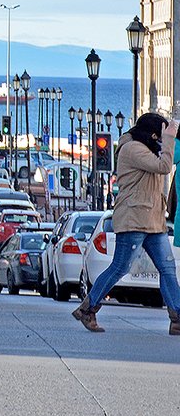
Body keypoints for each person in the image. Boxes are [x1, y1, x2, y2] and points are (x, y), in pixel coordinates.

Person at [73, 112, 180, 335]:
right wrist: (169, 137)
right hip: (134, 218)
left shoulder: (145, 147)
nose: (161, 139)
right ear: (151, 133)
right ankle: (88, 308)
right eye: (159, 135)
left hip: (152, 220)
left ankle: (177, 318)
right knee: (120, 267)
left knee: (167, 268)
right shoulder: (132, 149)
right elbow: (164, 166)